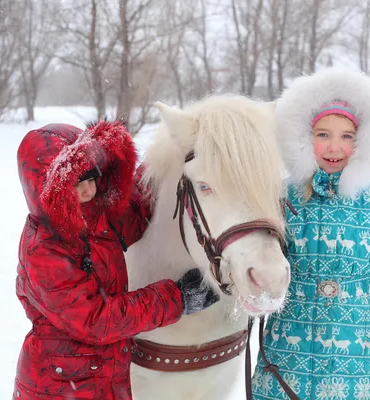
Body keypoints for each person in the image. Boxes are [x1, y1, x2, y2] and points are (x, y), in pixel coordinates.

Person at [12, 120, 218, 400]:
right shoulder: (43, 250)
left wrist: (167, 157)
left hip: (103, 377)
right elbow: (95, 319)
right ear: (48, 190)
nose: (88, 191)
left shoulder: (95, 215)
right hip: (57, 386)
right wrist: (176, 298)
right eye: (76, 185)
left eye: (91, 180)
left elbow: (137, 208)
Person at [252, 68, 370, 400]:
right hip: (286, 368)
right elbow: (255, 269)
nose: (334, 147)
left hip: (358, 371)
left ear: (362, 142)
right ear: (303, 137)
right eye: (322, 134)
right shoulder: (279, 198)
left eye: (347, 136)